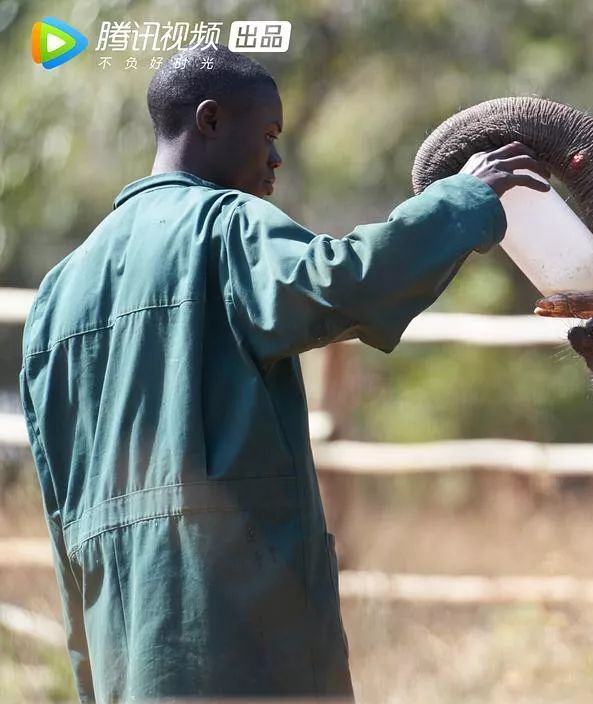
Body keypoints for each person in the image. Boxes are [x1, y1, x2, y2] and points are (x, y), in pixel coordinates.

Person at [18, 46, 550, 702]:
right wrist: (462, 203)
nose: (274, 160)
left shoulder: (56, 295)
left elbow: (61, 510)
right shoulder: (225, 230)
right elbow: (344, 282)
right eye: (267, 135)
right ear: (209, 121)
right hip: (239, 641)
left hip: (121, 651)